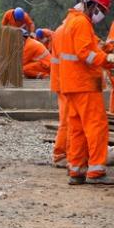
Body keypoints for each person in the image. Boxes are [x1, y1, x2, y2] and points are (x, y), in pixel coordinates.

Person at [56, 0, 114, 185]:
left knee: (77, 129)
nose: (101, 15)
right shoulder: (81, 23)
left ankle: (76, 171)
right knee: (96, 127)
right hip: (84, 84)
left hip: (72, 85)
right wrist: (109, 59)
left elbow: (87, 46)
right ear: (93, 6)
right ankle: (96, 172)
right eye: (102, 11)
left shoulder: (72, 21)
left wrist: (104, 48)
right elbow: (85, 53)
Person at [47, 23, 69, 168]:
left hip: (61, 80)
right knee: (67, 120)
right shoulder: (70, 30)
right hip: (66, 81)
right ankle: (60, 154)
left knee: (67, 119)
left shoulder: (60, 30)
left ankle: (64, 153)